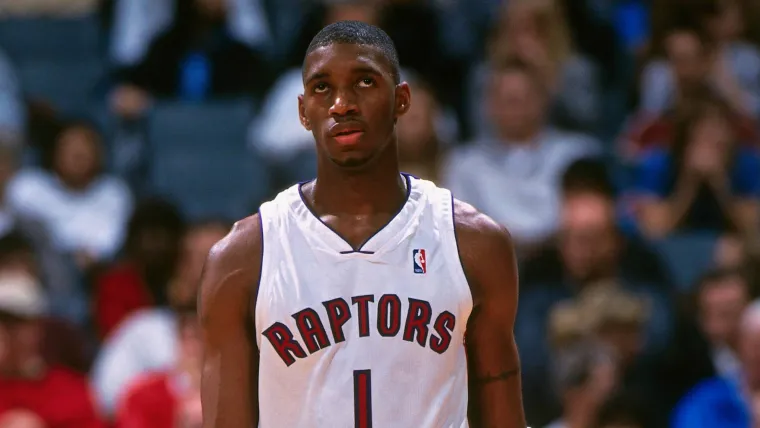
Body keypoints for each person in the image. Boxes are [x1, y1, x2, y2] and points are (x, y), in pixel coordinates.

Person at [198, 20, 526, 428]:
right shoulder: (243, 259)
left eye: (364, 82)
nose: (342, 104)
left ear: (401, 99)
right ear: (302, 112)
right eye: (322, 88)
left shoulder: (474, 244)